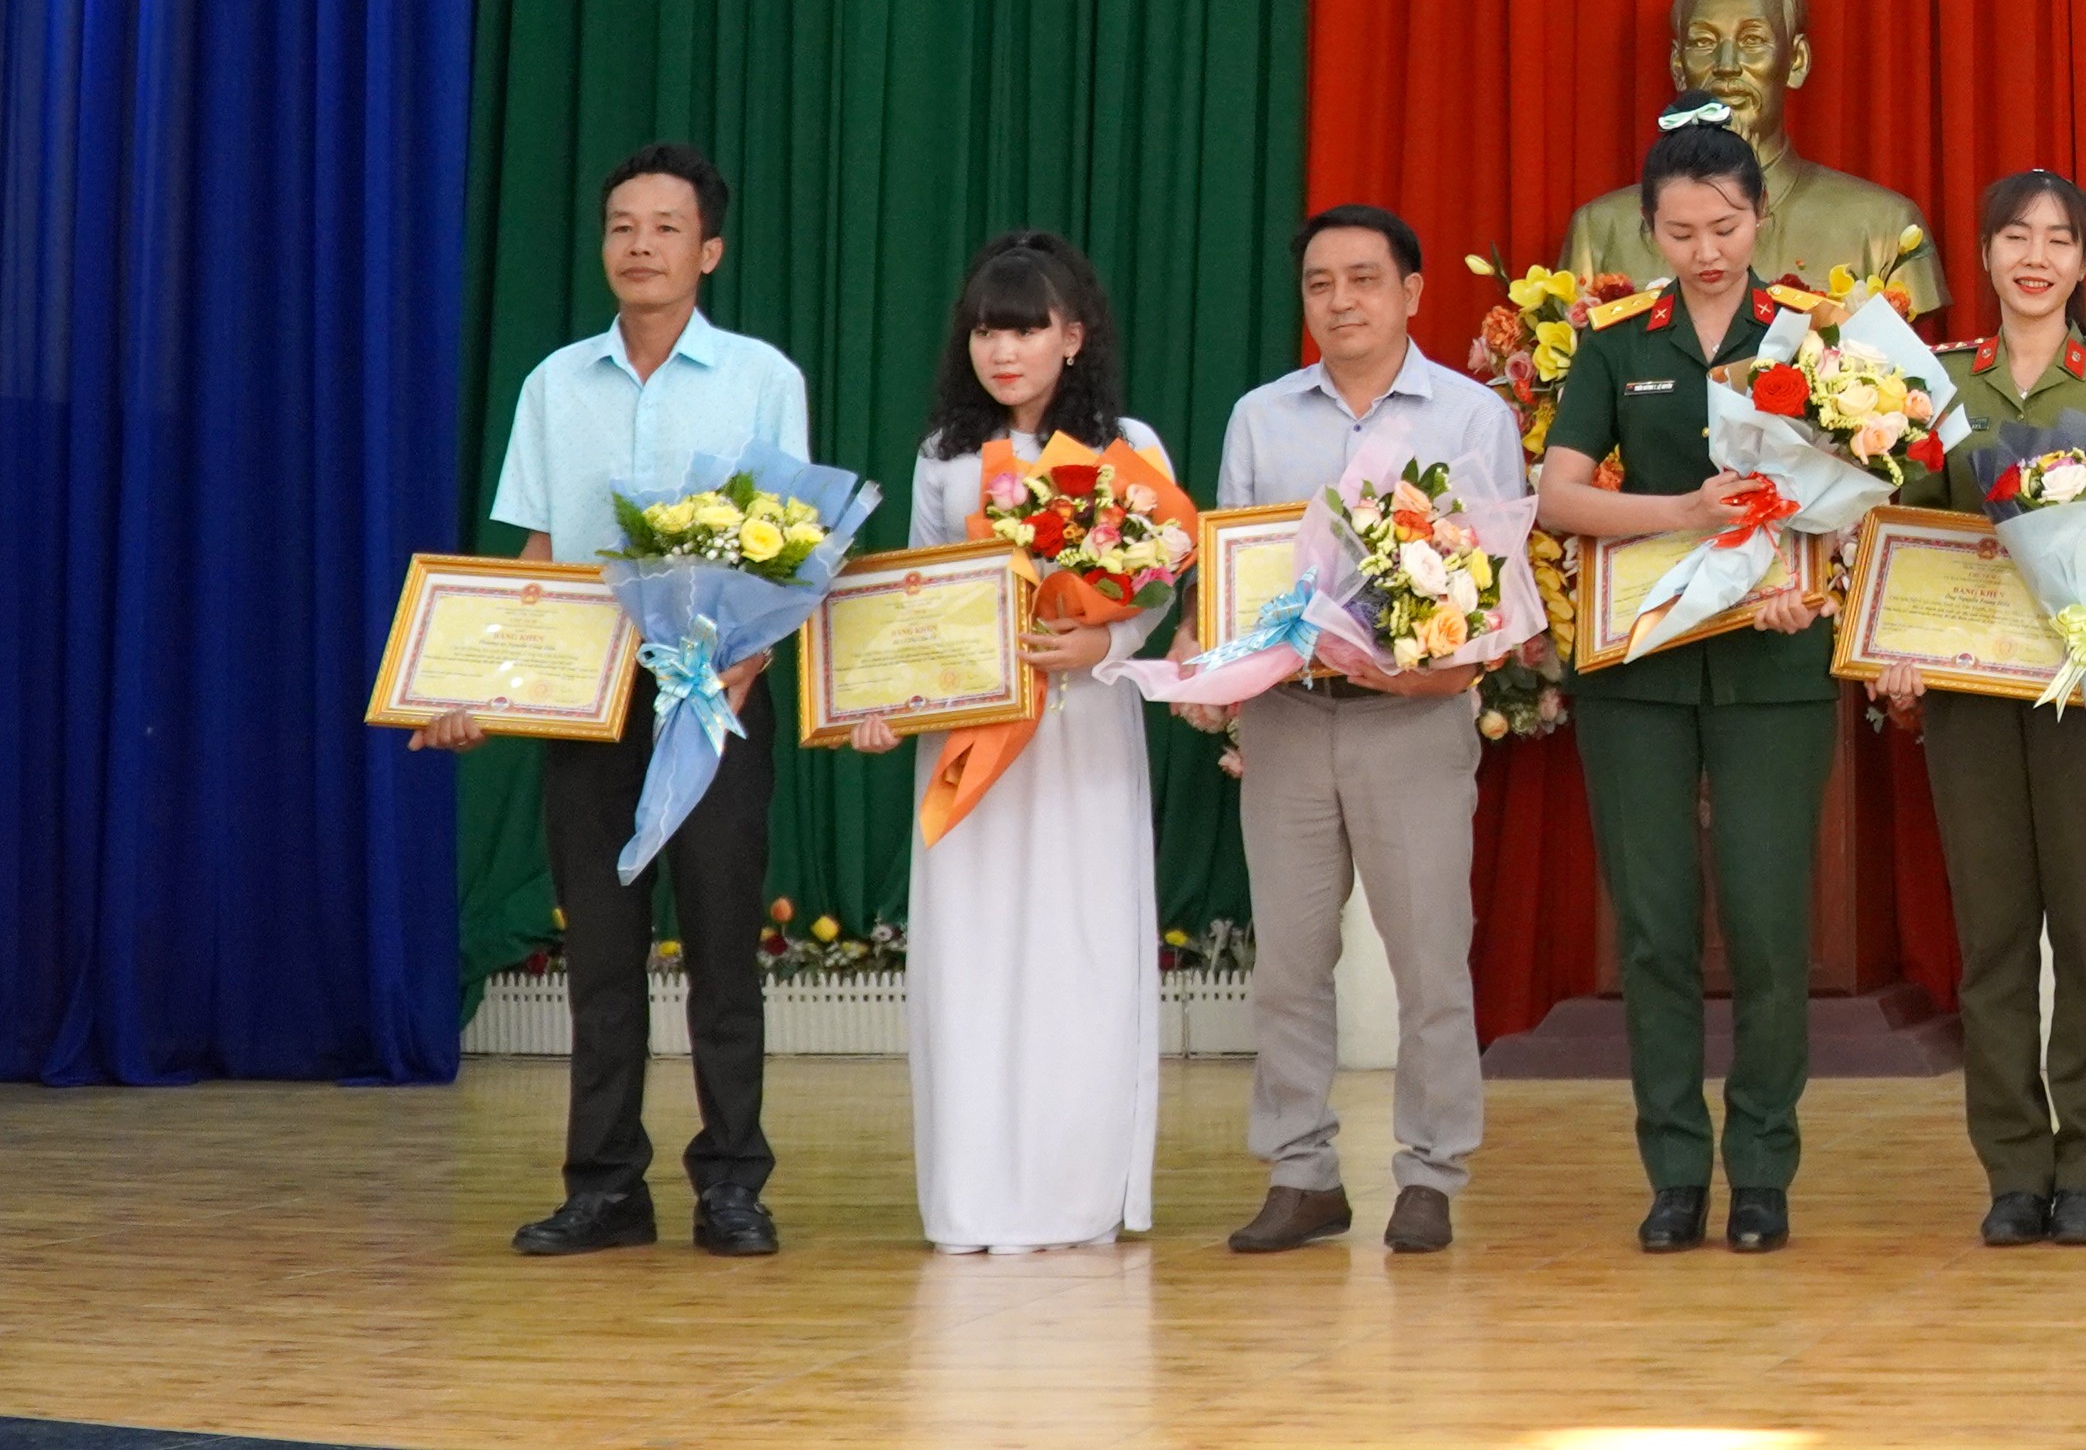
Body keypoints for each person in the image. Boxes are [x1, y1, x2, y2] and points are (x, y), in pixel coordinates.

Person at [419, 142, 809, 1258]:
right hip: (591, 703)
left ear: (712, 250)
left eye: (666, 227)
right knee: (600, 952)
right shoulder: (554, 384)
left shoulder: (762, 378)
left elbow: (790, 550)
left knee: (725, 947)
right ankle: (604, 1187)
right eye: (622, 226)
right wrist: (482, 688)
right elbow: (539, 557)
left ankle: (733, 1183)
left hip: (718, 698)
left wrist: (754, 656)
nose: (641, 245)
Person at [1540, 101, 1845, 1255]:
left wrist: (1802, 574)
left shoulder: (1816, 340)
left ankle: (1761, 1168)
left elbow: (1858, 489)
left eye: (1724, 225)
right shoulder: (1620, 342)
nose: (1706, 250)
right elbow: (1560, 494)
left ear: (1760, 214)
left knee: (1770, 928)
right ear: (1648, 232)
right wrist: (1679, 513)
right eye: (1680, 231)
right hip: (1643, 667)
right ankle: (1674, 1172)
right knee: (1657, 929)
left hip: (1774, 663)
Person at [843, 233, 1169, 1252]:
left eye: (1026, 325)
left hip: (1085, 736)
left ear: (1074, 336)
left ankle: (1077, 1196)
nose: (1005, 348)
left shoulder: (1131, 449)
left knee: (1082, 950)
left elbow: (1159, 589)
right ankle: (975, 1197)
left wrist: (1103, 634)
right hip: (974, 744)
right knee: (976, 958)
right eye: (988, 327)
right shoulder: (944, 460)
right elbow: (919, 602)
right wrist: (885, 690)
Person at [1211, 202, 1523, 1257]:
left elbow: (1499, 582)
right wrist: (1220, 676)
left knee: (1431, 961)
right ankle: (1302, 1175)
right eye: (1317, 284)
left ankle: (1431, 1174)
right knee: (1290, 963)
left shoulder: (1472, 417)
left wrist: (1444, 661)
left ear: (1412, 293)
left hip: (1415, 722)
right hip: (1288, 719)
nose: (1339, 301)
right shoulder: (1261, 417)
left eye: (1361, 279)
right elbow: (1234, 579)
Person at [1879, 171, 2086, 1248]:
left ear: (2084, 263)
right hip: (1969, 699)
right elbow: (1905, 534)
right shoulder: (1937, 384)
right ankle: (2011, 1169)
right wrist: (1896, 654)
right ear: (1988, 255)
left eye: (2060, 240)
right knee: (1993, 939)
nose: (2036, 257)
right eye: (2015, 237)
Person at [1554, 0, 1945, 312]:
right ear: (1678, 65)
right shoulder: (1600, 230)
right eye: (1703, 43)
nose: (1726, 65)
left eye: (1752, 41)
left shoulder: (1883, 226)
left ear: (1797, 61)